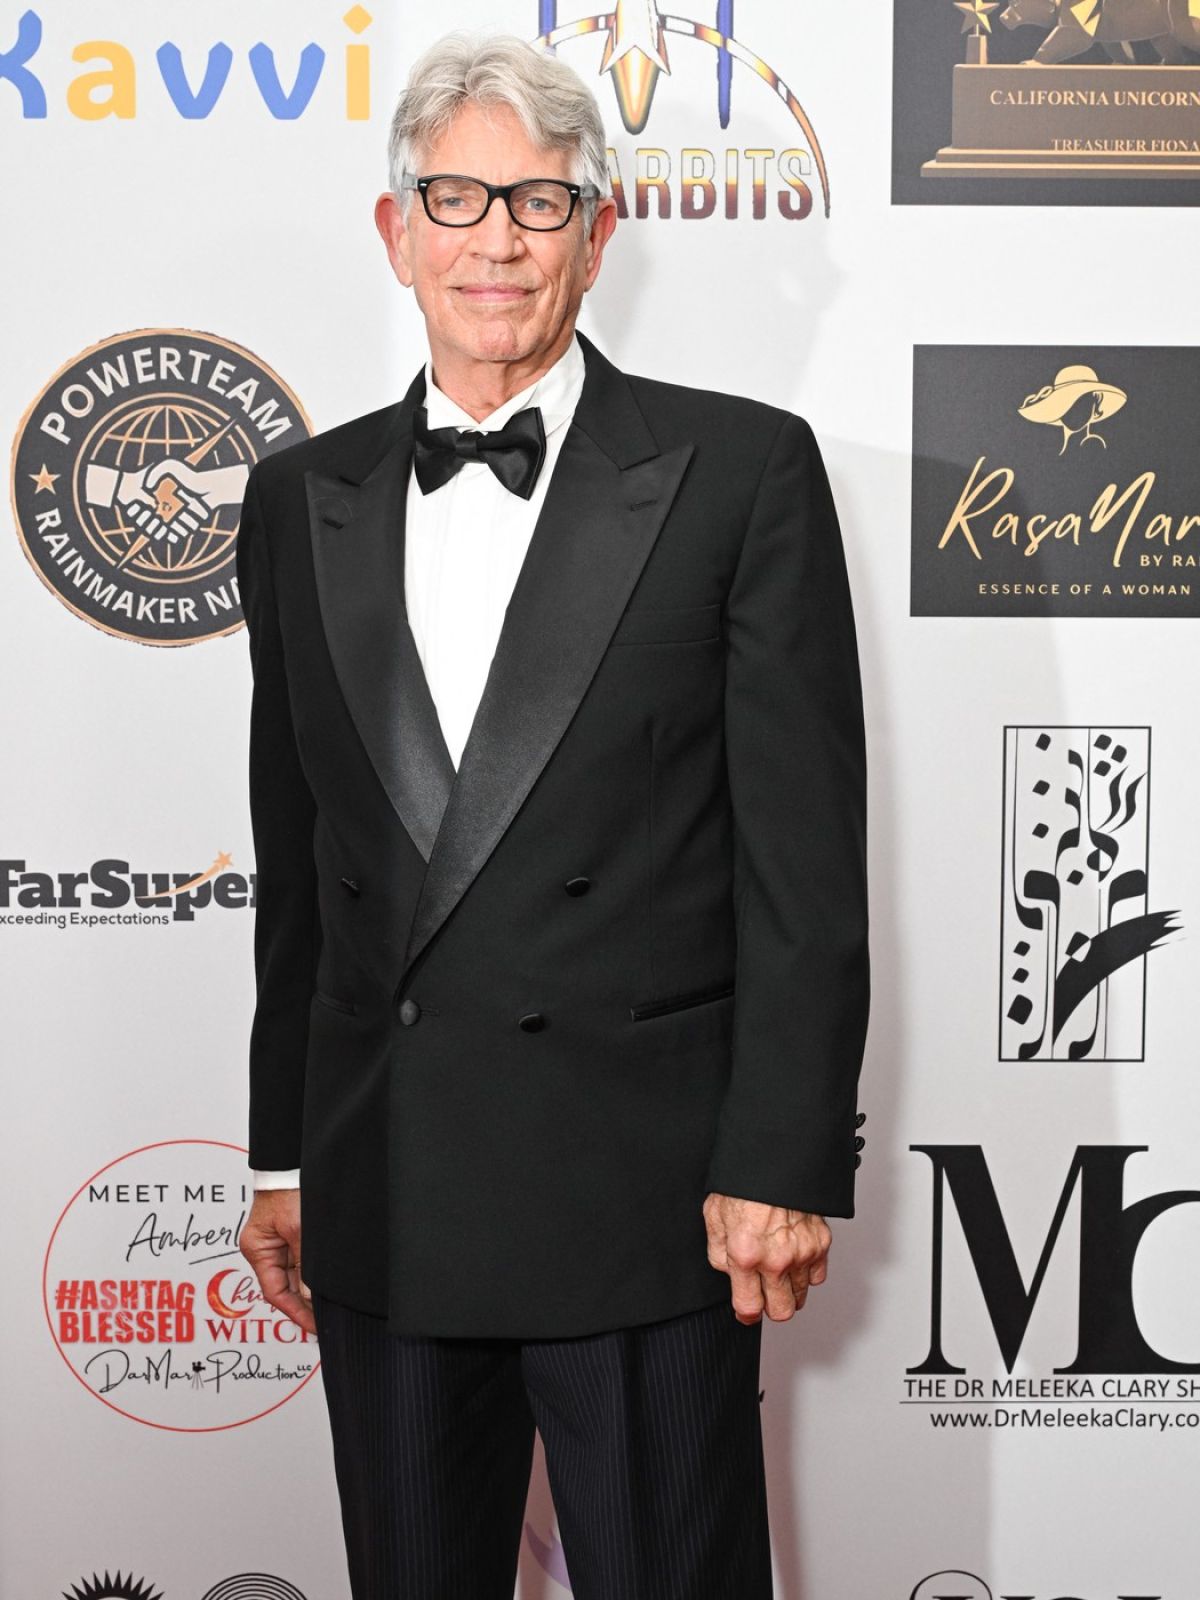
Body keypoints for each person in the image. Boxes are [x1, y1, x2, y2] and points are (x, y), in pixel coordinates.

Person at [236, 31, 869, 1600]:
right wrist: (283, 1155)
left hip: (645, 1199)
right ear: (397, 233)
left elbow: (804, 871)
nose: (497, 242)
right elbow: (301, 862)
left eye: (539, 202)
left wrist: (783, 1155)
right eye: (455, 199)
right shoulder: (299, 498)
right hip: (387, 1183)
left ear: (597, 236)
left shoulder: (739, 473)